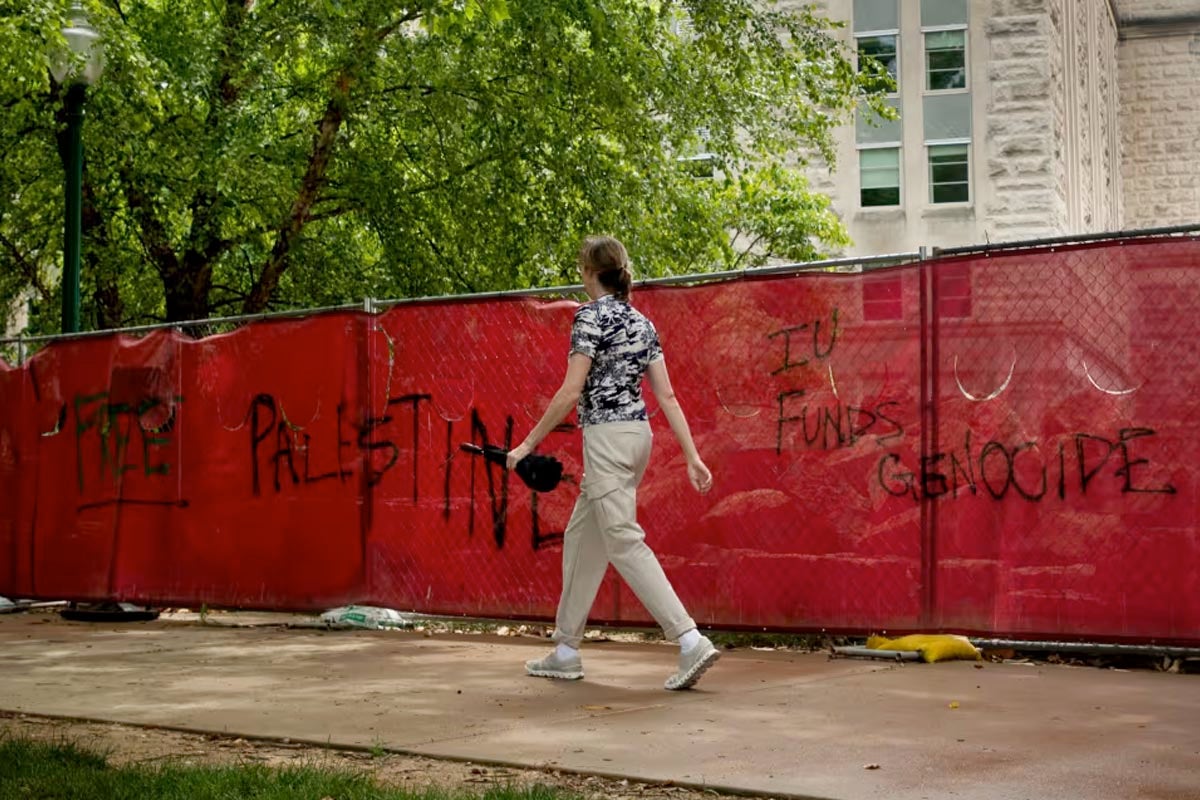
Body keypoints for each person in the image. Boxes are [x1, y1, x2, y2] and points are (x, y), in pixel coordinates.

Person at [506, 235, 719, 691]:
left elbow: (569, 391)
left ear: (588, 271)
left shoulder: (588, 317)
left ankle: (689, 639)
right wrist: (691, 455)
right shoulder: (643, 323)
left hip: (605, 440)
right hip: (637, 439)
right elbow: (667, 395)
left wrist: (525, 445)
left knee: (622, 540)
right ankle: (565, 650)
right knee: (584, 536)